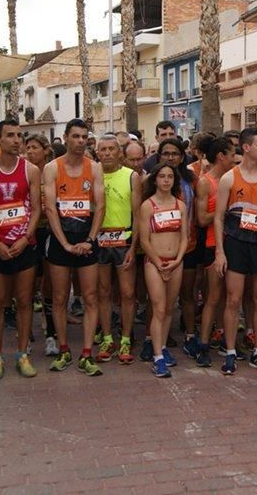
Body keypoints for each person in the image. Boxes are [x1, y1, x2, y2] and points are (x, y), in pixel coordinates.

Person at [214, 127, 257, 375]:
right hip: (236, 243)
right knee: (233, 300)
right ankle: (231, 352)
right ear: (246, 148)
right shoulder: (229, 179)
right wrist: (220, 252)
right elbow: (219, 217)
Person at [0, 119, 42, 380]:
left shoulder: (31, 170)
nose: (17, 140)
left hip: (23, 244)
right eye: (11, 135)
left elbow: (37, 208)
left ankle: (22, 354)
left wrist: (26, 238)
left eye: (19, 135)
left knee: (24, 301)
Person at [43, 119, 106, 377]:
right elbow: (49, 207)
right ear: (66, 138)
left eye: (84, 137)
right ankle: (64, 349)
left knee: (90, 297)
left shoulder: (95, 168)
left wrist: (89, 240)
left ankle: (87, 353)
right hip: (61, 241)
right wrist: (65, 243)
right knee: (59, 298)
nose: (81, 141)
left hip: (86, 239)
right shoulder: (52, 168)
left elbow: (100, 206)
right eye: (76, 136)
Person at [137, 163, 189, 377]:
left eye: (170, 177)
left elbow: (185, 237)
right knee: (158, 308)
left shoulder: (180, 205)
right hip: (154, 262)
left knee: (169, 308)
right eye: (162, 176)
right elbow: (144, 239)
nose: (166, 180)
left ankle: (163, 348)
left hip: (176, 262)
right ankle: (157, 357)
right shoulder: (148, 205)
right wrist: (158, 262)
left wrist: (177, 260)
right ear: (155, 180)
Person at [94, 134, 142, 365]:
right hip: (100, 241)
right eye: (103, 150)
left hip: (124, 240)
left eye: (112, 149)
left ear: (119, 152)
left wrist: (134, 246)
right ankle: (107, 338)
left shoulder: (132, 176)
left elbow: (138, 215)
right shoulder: (92, 175)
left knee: (127, 293)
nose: (108, 153)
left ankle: (125, 338)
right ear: (97, 153)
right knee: (102, 292)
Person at [194, 137, 236, 367]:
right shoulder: (205, 182)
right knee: (213, 297)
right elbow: (201, 219)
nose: (235, 158)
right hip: (212, 244)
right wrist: (226, 211)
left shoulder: (234, 179)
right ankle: (203, 344)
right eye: (232, 154)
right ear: (221, 156)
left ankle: (224, 339)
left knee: (232, 297)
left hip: (235, 243)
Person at [25, 133, 58, 357]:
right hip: (27, 231)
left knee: (50, 283)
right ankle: (25, 334)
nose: (30, 151)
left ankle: (51, 332)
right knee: (27, 285)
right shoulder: (23, 171)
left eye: (35, 147)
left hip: (50, 230)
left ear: (45, 150)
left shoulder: (53, 171)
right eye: (27, 148)